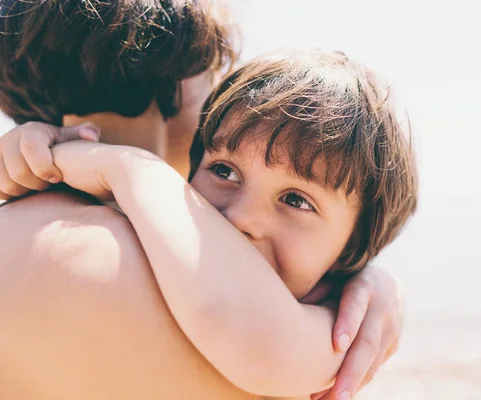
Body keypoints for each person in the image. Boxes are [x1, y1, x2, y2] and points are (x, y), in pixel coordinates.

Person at [0, 1, 406, 399]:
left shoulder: (19, 225)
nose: (242, 218)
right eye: (226, 171)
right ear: (178, 82)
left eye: (296, 200)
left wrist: (361, 272)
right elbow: (279, 349)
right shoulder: (222, 307)